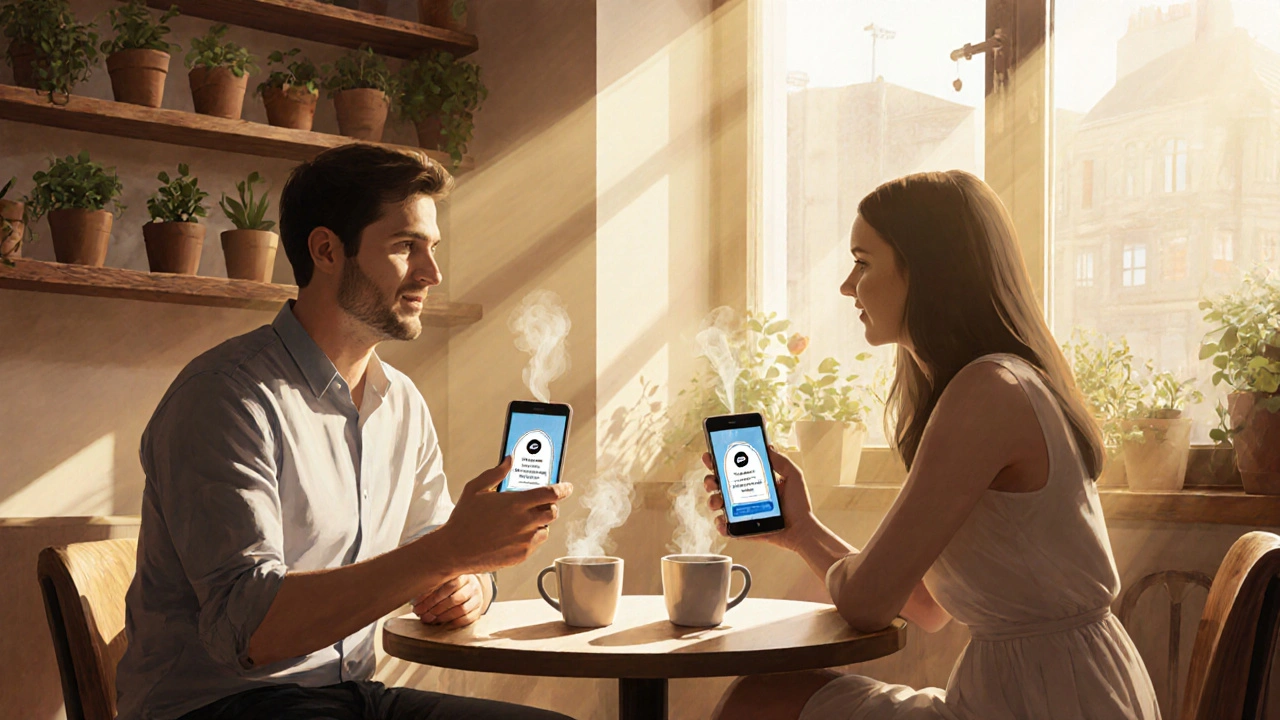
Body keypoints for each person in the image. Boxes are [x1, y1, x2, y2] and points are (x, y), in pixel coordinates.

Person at [116, 144, 574, 720]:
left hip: (350, 697)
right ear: (327, 250)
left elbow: (434, 545)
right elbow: (248, 631)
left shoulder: (401, 402)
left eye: (432, 249)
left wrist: (469, 586)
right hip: (219, 706)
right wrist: (450, 550)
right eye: (406, 247)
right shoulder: (225, 397)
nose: (432, 274)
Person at [705, 171, 1161, 720]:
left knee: (761, 700)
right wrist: (801, 530)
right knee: (764, 697)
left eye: (863, 261)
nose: (848, 286)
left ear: (925, 272)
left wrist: (811, 540)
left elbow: (868, 604)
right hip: (1053, 686)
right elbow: (926, 606)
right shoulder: (994, 385)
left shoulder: (988, 392)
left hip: (1046, 699)